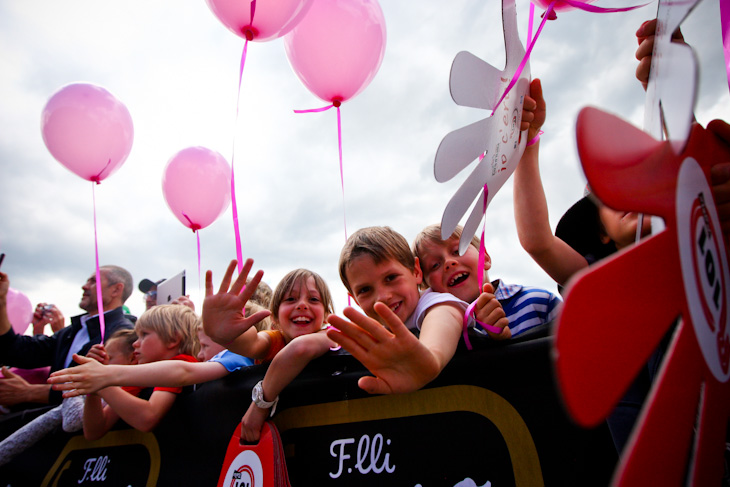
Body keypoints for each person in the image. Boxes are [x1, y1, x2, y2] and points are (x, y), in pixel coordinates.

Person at [325, 226, 509, 396]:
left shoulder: (436, 303)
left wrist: (431, 359)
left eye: (390, 278)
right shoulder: (374, 327)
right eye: (365, 290)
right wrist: (315, 342)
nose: (382, 296)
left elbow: (444, 316)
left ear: (416, 272)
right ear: (355, 299)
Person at [203, 261, 338, 442]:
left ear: (327, 315)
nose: (302, 305)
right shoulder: (276, 340)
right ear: (274, 316)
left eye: (313, 299)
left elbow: (300, 349)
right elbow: (250, 344)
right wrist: (219, 333)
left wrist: (260, 405)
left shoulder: (332, 335)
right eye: (290, 299)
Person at [0, 267, 135, 408]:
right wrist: (2, 301)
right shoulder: (72, 331)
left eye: (93, 281)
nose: (84, 286)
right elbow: (17, 351)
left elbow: (100, 389)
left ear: (116, 290)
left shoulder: (124, 334)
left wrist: (29, 392)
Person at [0, 328, 137, 466]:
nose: (100, 364)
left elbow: (72, 421)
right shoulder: (109, 389)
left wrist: (77, 378)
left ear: (133, 358)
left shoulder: (122, 389)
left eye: (109, 358)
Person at [64, 304, 199, 440]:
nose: (135, 343)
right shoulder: (142, 376)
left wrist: (101, 380)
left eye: (144, 335)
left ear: (173, 339)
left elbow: (147, 419)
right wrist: (94, 389)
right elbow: (94, 431)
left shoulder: (182, 363)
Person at [413, 223, 561, 337]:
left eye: (458, 250)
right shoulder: (437, 334)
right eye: (435, 265)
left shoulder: (538, 302)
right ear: (427, 289)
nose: (449, 262)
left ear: (485, 258)